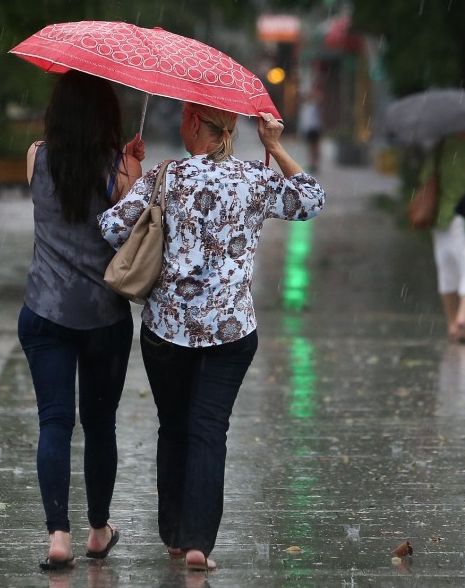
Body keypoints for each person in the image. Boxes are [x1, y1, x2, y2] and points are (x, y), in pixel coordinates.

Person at [99, 102, 325, 572]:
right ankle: (200, 543)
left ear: (193, 125)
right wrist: (275, 146)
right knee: (209, 429)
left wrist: (129, 169)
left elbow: (110, 227)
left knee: (174, 425)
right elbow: (310, 199)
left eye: (184, 118)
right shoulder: (254, 179)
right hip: (231, 331)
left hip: (167, 330)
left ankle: (175, 535)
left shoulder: (166, 175)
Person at [18, 70, 144, 571]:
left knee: (54, 422)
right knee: (99, 425)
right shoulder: (118, 169)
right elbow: (133, 223)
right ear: (105, 116)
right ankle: (97, 530)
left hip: (45, 310)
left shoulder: (36, 156)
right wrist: (131, 164)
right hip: (102, 317)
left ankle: (58, 536)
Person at [423, 133, 465, 343]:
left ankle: (452, 323)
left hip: (444, 216)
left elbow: (426, 178)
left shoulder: (441, 147)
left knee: (447, 268)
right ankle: (464, 315)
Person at [297, 89, 323, 172]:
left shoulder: (314, 107)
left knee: (315, 147)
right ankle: (311, 163)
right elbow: (304, 120)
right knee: (310, 147)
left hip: (314, 128)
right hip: (309, 129)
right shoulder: (305, 107)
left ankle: (314, 163)